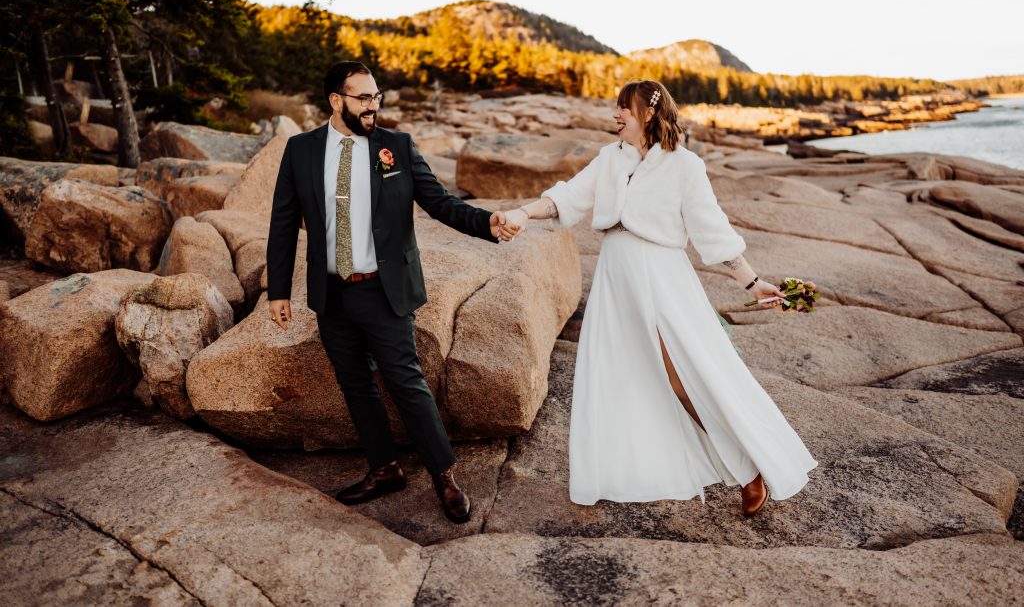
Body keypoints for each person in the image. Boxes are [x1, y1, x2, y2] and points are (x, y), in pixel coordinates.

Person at [499, 80, 818, 515]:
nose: (616, 115)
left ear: (648, 113)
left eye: (623, 108)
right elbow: (566, 199)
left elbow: (712, 231)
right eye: (615, 108)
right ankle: (620, 470)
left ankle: (750, 468)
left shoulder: (685, 166)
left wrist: (751, 281)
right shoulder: (609, 159)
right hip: (616, 279)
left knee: (684, 376)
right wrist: (522, 213)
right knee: (619, 377)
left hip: (663, 278)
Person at [265, 61, 513, 523]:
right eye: (362, 98)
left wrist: (486, 223)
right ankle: (385, 469)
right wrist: (278, 290)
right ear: (336, 101)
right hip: (331, 293)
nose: (372, 106)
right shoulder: (300, 150)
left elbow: (439, 201)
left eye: (377, 96)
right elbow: (283, 222)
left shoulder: (395, 146)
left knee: (406, 382)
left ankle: (445, 477)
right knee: (355, 385)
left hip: (384, 291)